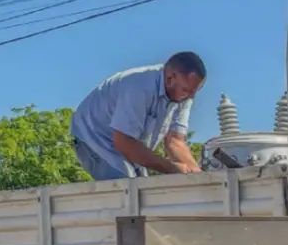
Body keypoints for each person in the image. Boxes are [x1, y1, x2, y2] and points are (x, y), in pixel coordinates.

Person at [71, 52, 207, 180]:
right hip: (94, 137)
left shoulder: (185, 97)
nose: (190, 97)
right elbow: (123, 142)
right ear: (170, 78)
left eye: (193, 93)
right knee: (128, 189)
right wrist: (171, 168)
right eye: (185, 90)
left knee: (143, 191)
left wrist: (198, 175)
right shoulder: (140, 87)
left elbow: (175, 141)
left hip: (126, 142)